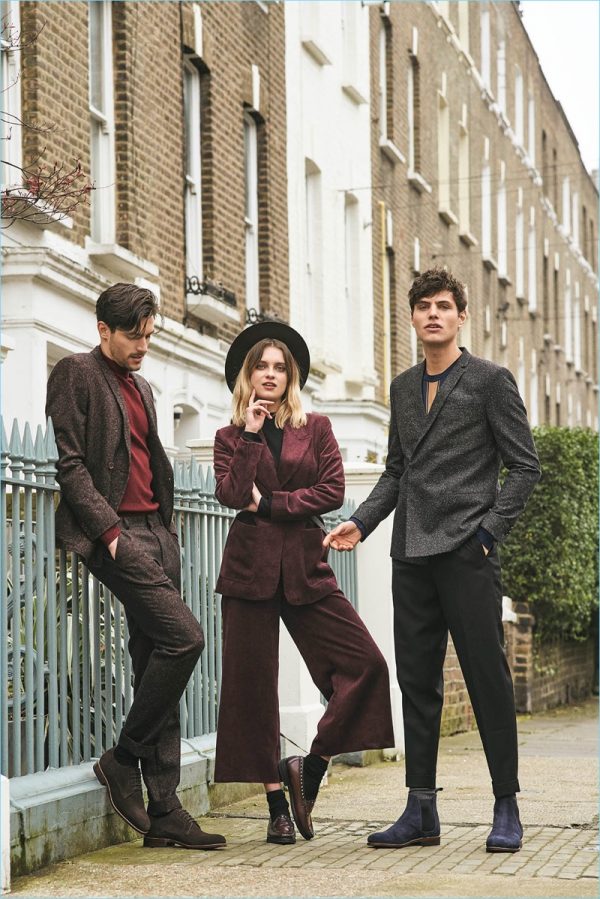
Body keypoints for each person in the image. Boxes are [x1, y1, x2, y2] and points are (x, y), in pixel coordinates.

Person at [325, 268, 541, 854]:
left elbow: (525, 467)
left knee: (488, 679)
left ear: (461, 316)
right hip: (411, 555)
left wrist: (488, 534)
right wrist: (361, 522)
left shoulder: (491, 381)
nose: (433, 315)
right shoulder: (401, 388)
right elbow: (396, 471)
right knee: (417, 683)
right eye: (423, 306)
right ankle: (421, 809)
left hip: (468, 554)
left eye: (444, 306)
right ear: (414, 317)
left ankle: (506, 805)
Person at [46, 282, 225, 851]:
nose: (142, 346)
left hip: (157, 531)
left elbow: (152, 461)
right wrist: (111, 533)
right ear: (104, 330)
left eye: (148, 335)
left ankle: (165, 808)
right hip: (119, 534)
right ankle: (122, 760)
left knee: (156, 660)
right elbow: (71, 465)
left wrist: (166, 531)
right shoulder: (76, 373)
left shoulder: (144, 386)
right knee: (186, 639)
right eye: (133, 336)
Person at [212, 320, 395, 845]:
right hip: (248, 571)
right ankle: (276, 806)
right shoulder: (230, 437)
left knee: (366, 664)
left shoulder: (315, 427)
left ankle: (309, 767)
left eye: (279, 368)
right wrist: (251, 434)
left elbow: (332, 490)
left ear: (291, 377)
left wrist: (270, 504)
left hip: (306, 566)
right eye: (261, 367)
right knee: (252, 690)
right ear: (248, 376)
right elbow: (232, 495)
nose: (270, 374)